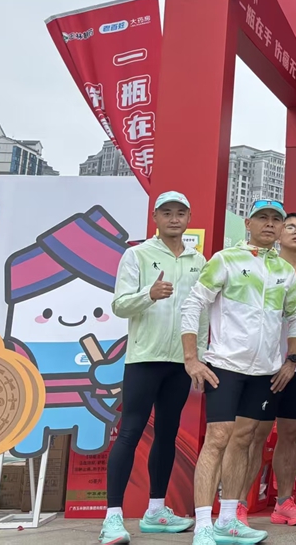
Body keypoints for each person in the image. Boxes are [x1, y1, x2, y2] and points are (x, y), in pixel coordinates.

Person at [179, 199, 296, 545]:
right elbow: (193, 304)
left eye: (275, 219)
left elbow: (294, 316)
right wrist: (191, 358)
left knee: (245, 439)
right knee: (218, 438)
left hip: (265, 371)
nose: (269, 224)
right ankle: (203, 524)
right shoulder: (226, 259)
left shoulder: (285, 271)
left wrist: (291, 360)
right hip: (225, 366)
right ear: (248, 223)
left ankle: (228, 520)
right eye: (262, 218)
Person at [100, 192, 205, 544]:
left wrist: (199, 356)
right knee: (130, 431)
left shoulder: (198, 260)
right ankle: (112, 517)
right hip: (144, 359)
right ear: (156, 218)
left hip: (180, 362)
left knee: (167, 433)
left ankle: (156, 510)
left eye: (180, 213)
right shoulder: (137, 254)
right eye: (167, 213)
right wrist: (150, 294)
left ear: (188, 218)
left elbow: (202, 313)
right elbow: (119, 305)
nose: (174, 219)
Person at [227, 212, 296, 528]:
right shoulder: (265, 269)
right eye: (289, 226)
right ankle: (237, 504)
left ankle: (284, 503)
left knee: (291, 434)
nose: (295, 231)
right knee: (254, 434)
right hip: (264, 365)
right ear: (279, 233)